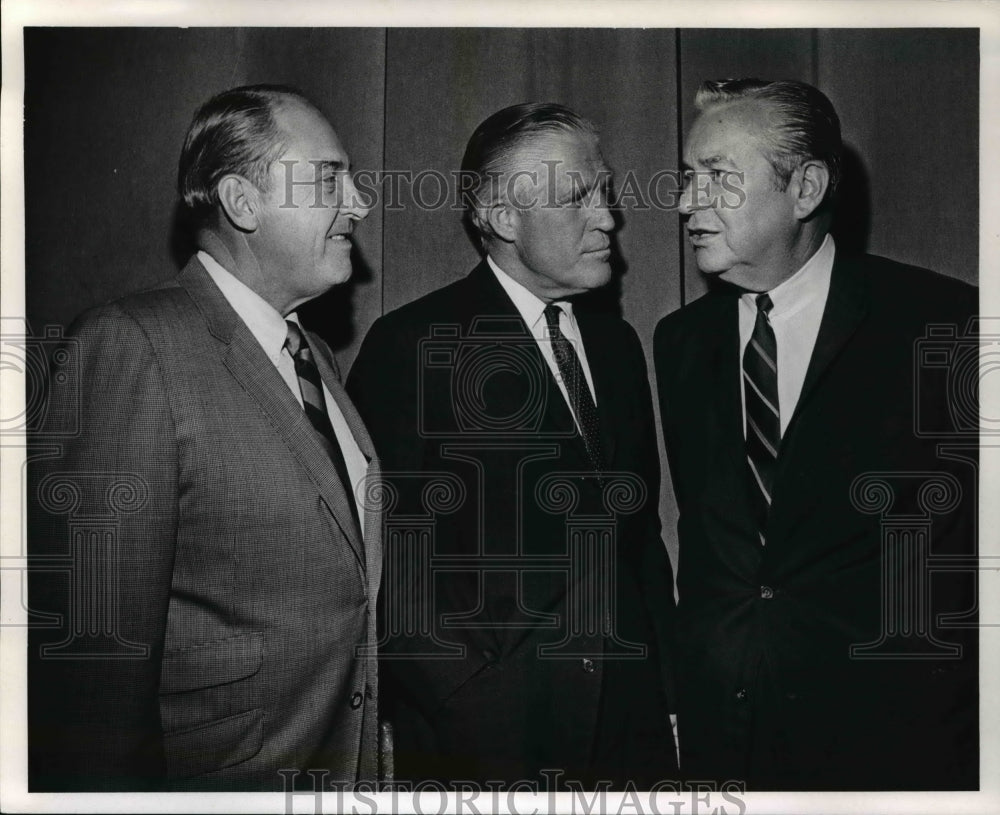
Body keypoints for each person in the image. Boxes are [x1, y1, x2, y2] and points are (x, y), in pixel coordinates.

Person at [28, 84, 381, 792]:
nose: (361, 203)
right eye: (329, 179)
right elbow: (95, 661)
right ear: (243, 202)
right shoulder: (132, 345)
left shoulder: (319, 357)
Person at [654, 78, 978, 790]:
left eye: (716, 177)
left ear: (805, 189)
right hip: (727, 754)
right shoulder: (679, 343)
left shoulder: (946, 327)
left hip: (898, 755)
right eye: (687, 177)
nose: (685, 204)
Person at [347, 102, 677, 787]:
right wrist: (459, 700)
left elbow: (638, 537)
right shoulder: (412, 345)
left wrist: (667, 693)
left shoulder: (618, 347)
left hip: (629, 734)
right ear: (500, 218)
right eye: (577, 197)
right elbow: (379, 553)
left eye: (605, 193)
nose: (608, 218)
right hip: (484, 742)